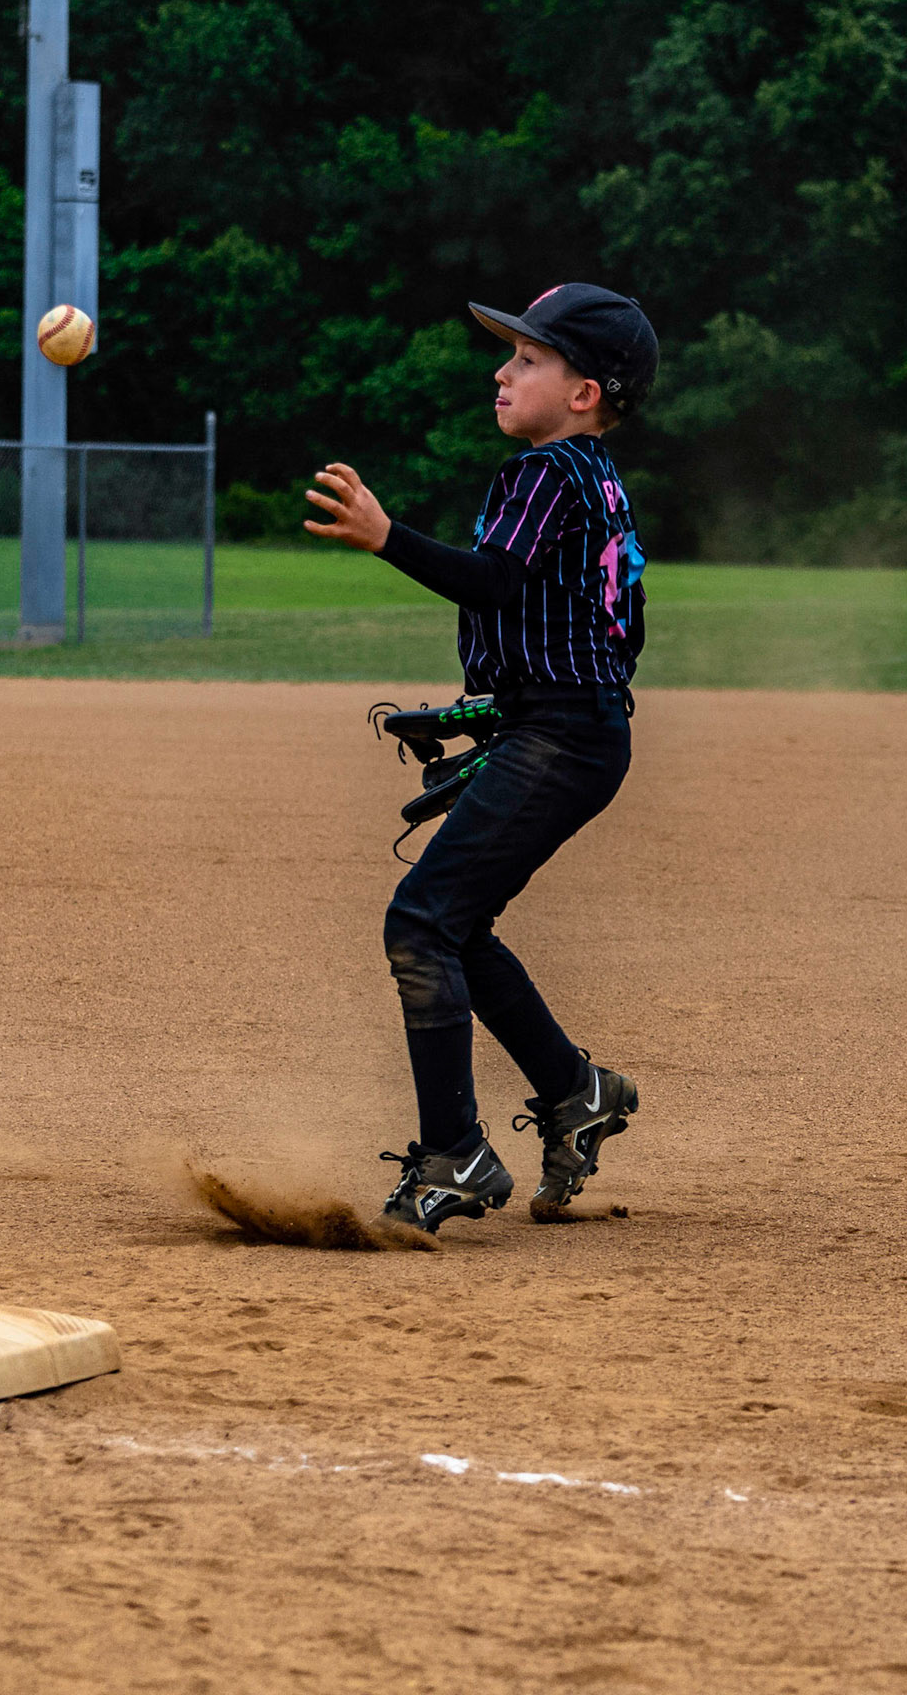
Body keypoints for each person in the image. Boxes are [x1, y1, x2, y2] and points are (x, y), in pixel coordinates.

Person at [304, 282, 658, 1233]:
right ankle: (575, 1089)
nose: (503, 371)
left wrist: (386, 539)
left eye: (529, 359)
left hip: (561, 735)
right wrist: (489, 709)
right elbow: (572, 624)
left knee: (421, 924)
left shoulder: (545, 475)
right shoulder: (594, 477)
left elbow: (496, 581)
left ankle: (455, 1153)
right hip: (568, 729)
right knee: (455, 925)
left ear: (584, 391)